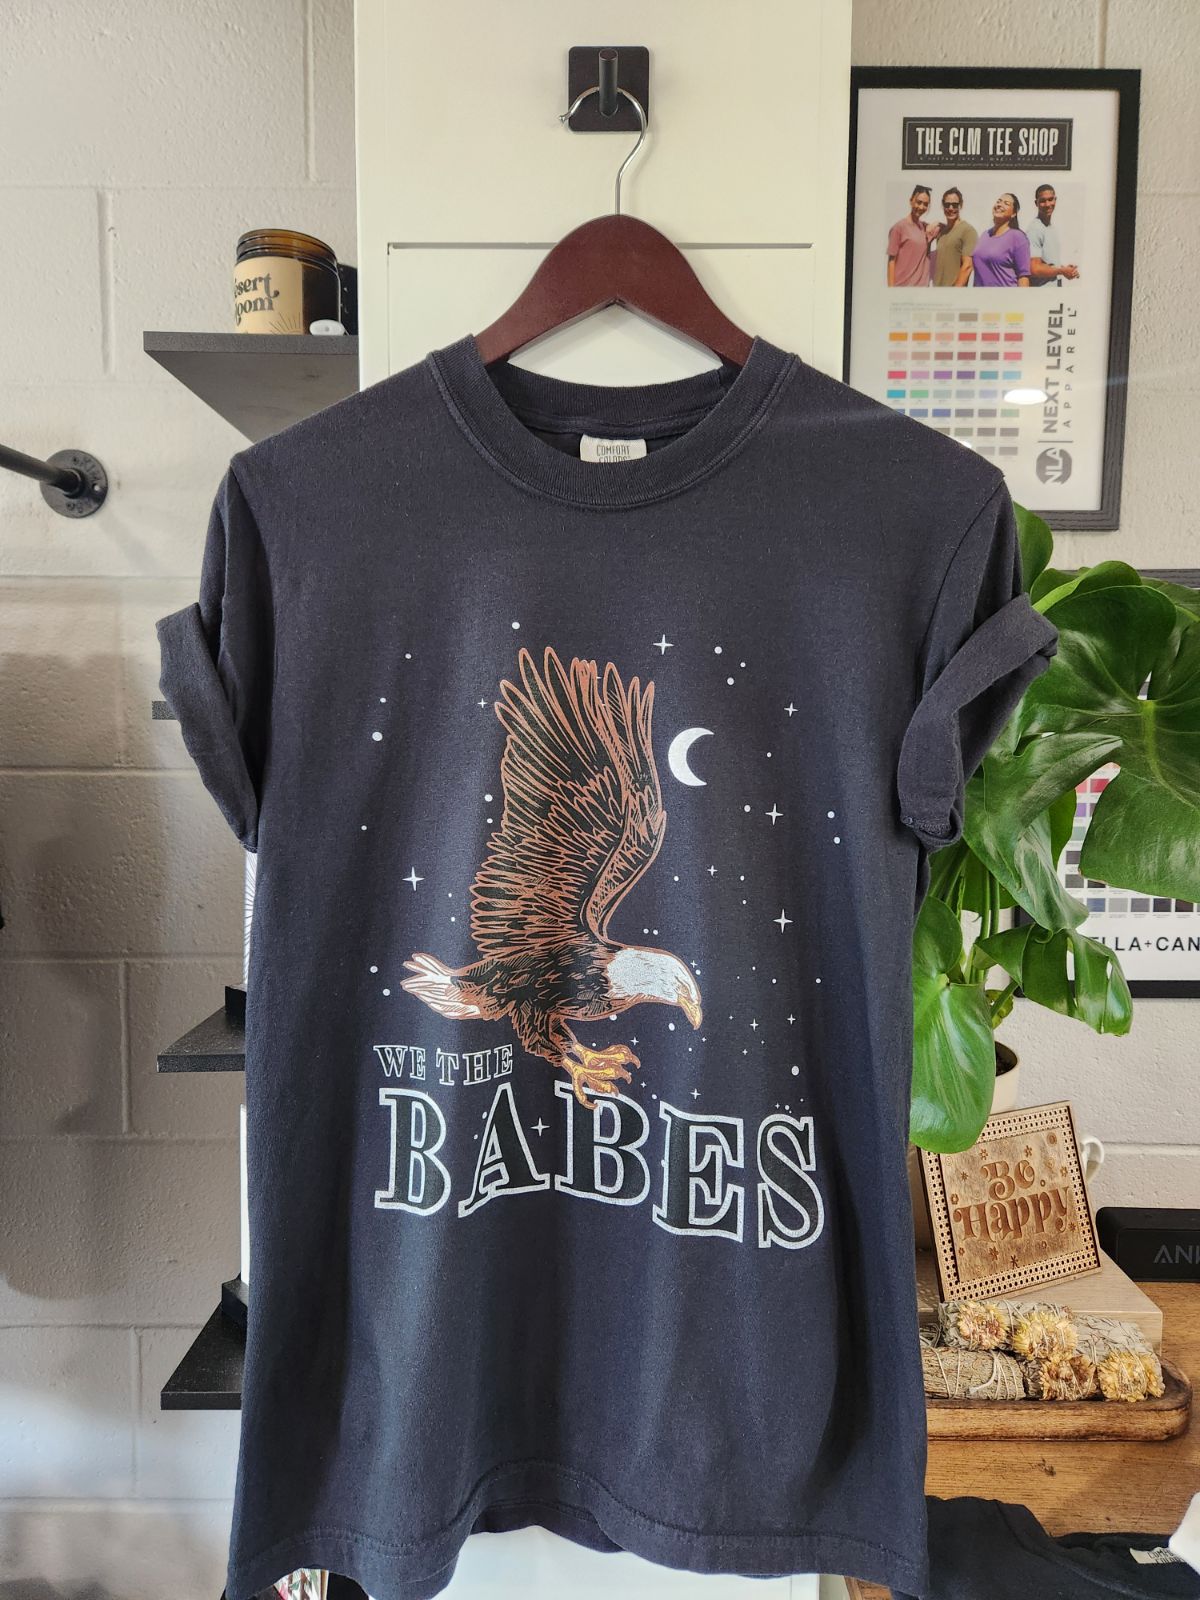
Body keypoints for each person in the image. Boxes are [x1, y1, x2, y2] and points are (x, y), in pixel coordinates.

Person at [970, 193, 1031, 287]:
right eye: (998, 201)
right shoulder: (985, 235)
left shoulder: (1018, 237)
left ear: (1013, 214)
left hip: (1006, 295)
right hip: (980, 295)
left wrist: (1022, 296)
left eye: (1006, 203)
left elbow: (1023, 276)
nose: (999, 205)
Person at [1026, 184, 1080, 287]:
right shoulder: (1035, 229)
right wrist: (1061, 271)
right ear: (1036, 203)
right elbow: (1034, 268)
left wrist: (1065, 269)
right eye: (1043, 201)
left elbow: (1048, 263)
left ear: (1055, 200)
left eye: (1050, 199)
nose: (1047, 204)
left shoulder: (1051, 228)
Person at [887, 185, 937, 287]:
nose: (921, 207)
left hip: (922, 290)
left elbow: (945, 228)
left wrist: (936, 224)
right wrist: (891, 291)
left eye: (925, 204)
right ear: (911, 201)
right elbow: (891, 261)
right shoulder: (898, 228)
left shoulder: (925, 228)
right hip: (902, 287)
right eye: (919, 202)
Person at [929, 188, 978, 287]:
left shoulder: (968, 231)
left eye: (955, 205)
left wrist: (954, 293)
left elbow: (968, 267)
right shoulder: (941, 232)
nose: (951, 208)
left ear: (961, 205)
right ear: (943, 205)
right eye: (947, 204)